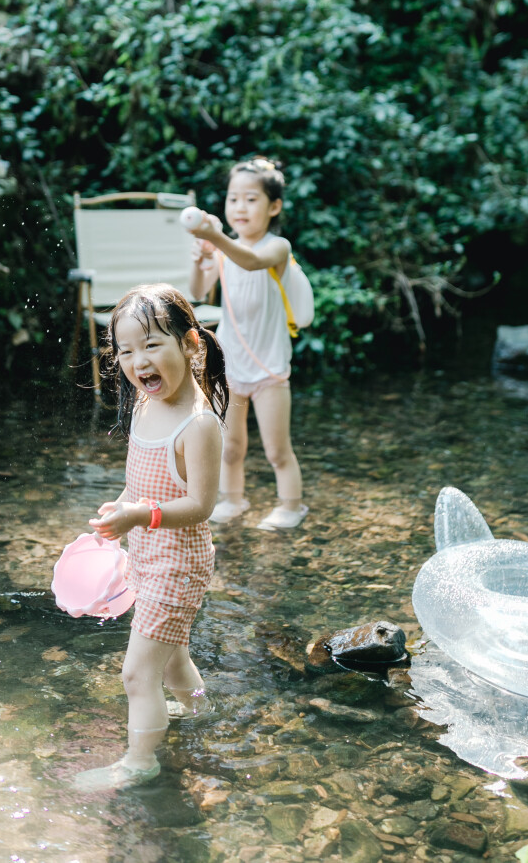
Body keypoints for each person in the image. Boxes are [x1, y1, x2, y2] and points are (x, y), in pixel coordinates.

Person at [72, 284, 227, 793]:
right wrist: (125, 506)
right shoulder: (146, 400)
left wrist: (140, 515)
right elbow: (145, 478)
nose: (139, 361)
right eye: (126, 350)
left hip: (179, 565)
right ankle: (201, 714)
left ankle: (141, 762)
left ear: (190, 345)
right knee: (173, 656)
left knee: (138, 674)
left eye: (153, 345)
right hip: (148, 553)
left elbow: (201, 506)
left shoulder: (198, 425)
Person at [188, 157, 308, 531]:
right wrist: (201, 259)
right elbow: (197, 291)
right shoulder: (224, 249)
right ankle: (233, 500)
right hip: (231, 365)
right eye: (233, 198)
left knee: (277, 449)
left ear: (274, 206)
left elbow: (254, 262)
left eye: (251, 199)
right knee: (231, 446)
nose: (240, 207)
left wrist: (216, 239)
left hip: (269, 367)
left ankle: (292, 505)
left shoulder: (278, 247)